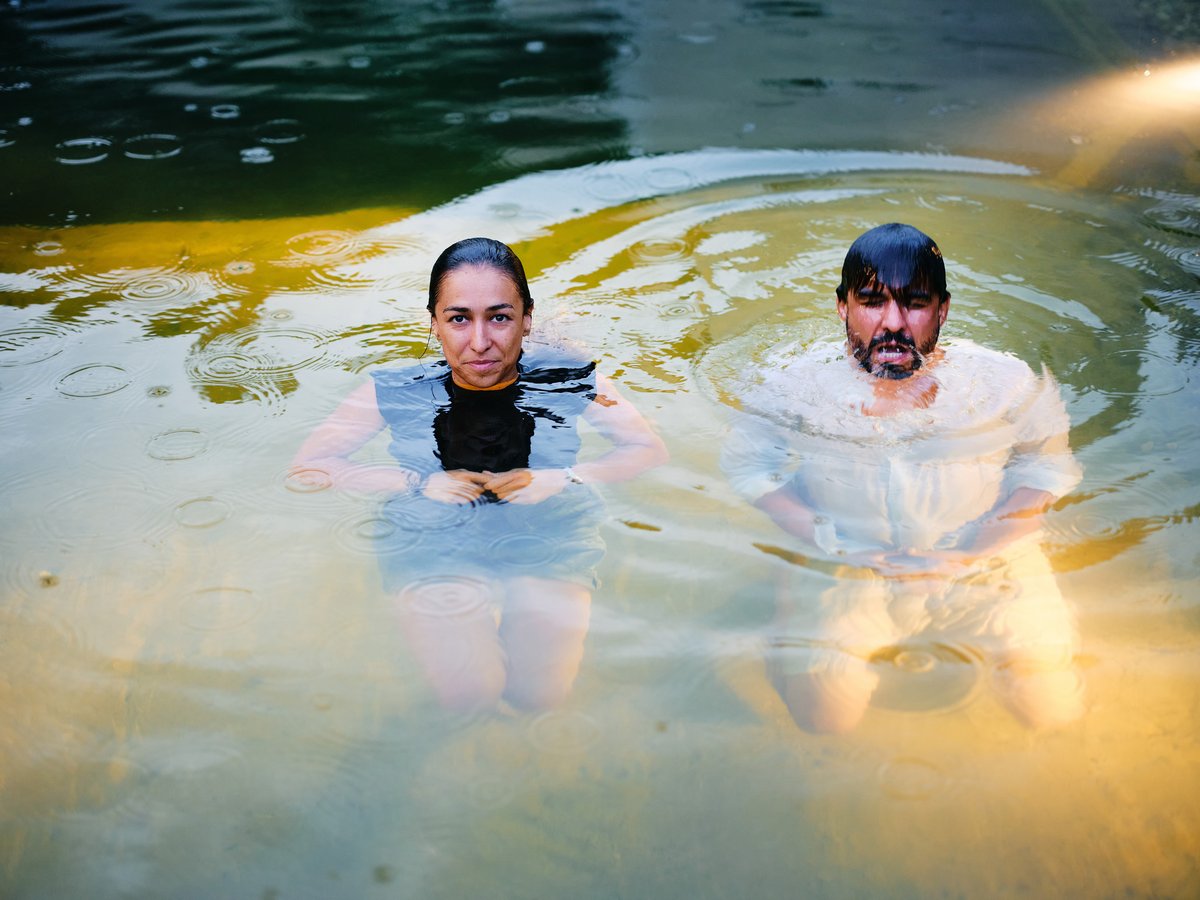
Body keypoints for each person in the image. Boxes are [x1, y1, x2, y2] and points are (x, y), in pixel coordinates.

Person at [722, 223, 1084, 733]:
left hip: (988, 557)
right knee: (823, 719)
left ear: (943, 309)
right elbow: (748, 468)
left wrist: (971, 554)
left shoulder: (1004, 383)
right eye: (871, 301)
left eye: (914, 302)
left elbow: (1044, 470)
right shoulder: (792, 384)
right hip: (847, 556)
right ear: (842, 307)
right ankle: (790, 598)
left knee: (1049, 712)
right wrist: (831, 543)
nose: (893, 322)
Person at [294, 237, 667, 713]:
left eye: (499, 317)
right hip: (434, 533)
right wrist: (417, 483)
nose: (479, 342)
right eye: (458, 319)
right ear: (433, 322)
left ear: (526, 318)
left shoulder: (569, 376)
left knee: (539, 698)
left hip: (547, 525)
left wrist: (567, 477)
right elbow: (310, 467)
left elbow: (647, 448)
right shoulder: (392, 389)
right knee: (469, 697)